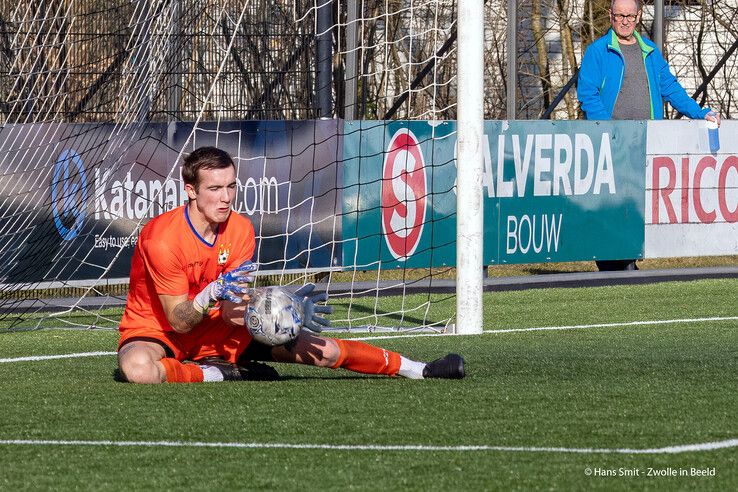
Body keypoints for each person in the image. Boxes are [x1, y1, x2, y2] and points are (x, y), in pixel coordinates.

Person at [117, 146, 465, 383]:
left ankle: (419, 369)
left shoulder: (239, 228)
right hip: (159, 330)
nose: (226, 197)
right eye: (215, 189)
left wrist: (281, 308)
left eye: (231, 186)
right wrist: (210, 293)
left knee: (322, 351)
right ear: (191, 190)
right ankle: (218, 373)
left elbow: (230, 310)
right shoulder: (162, 238)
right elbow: (179, 321)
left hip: (216, 331)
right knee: (138, 370)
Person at [577, 0, 720, 271]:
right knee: (611, 206)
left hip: (647, 144)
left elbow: (671, 89)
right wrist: (609, 130)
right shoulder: (597, 51)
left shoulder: (651, 52)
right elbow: (588, 94)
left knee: (638, 208)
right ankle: (611, 264)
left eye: (631, 15)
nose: (626, 21)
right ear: (610, 16)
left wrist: (699, 113)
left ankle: (628, 260)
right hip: (611, 145)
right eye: (620, 15)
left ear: (639, 16)